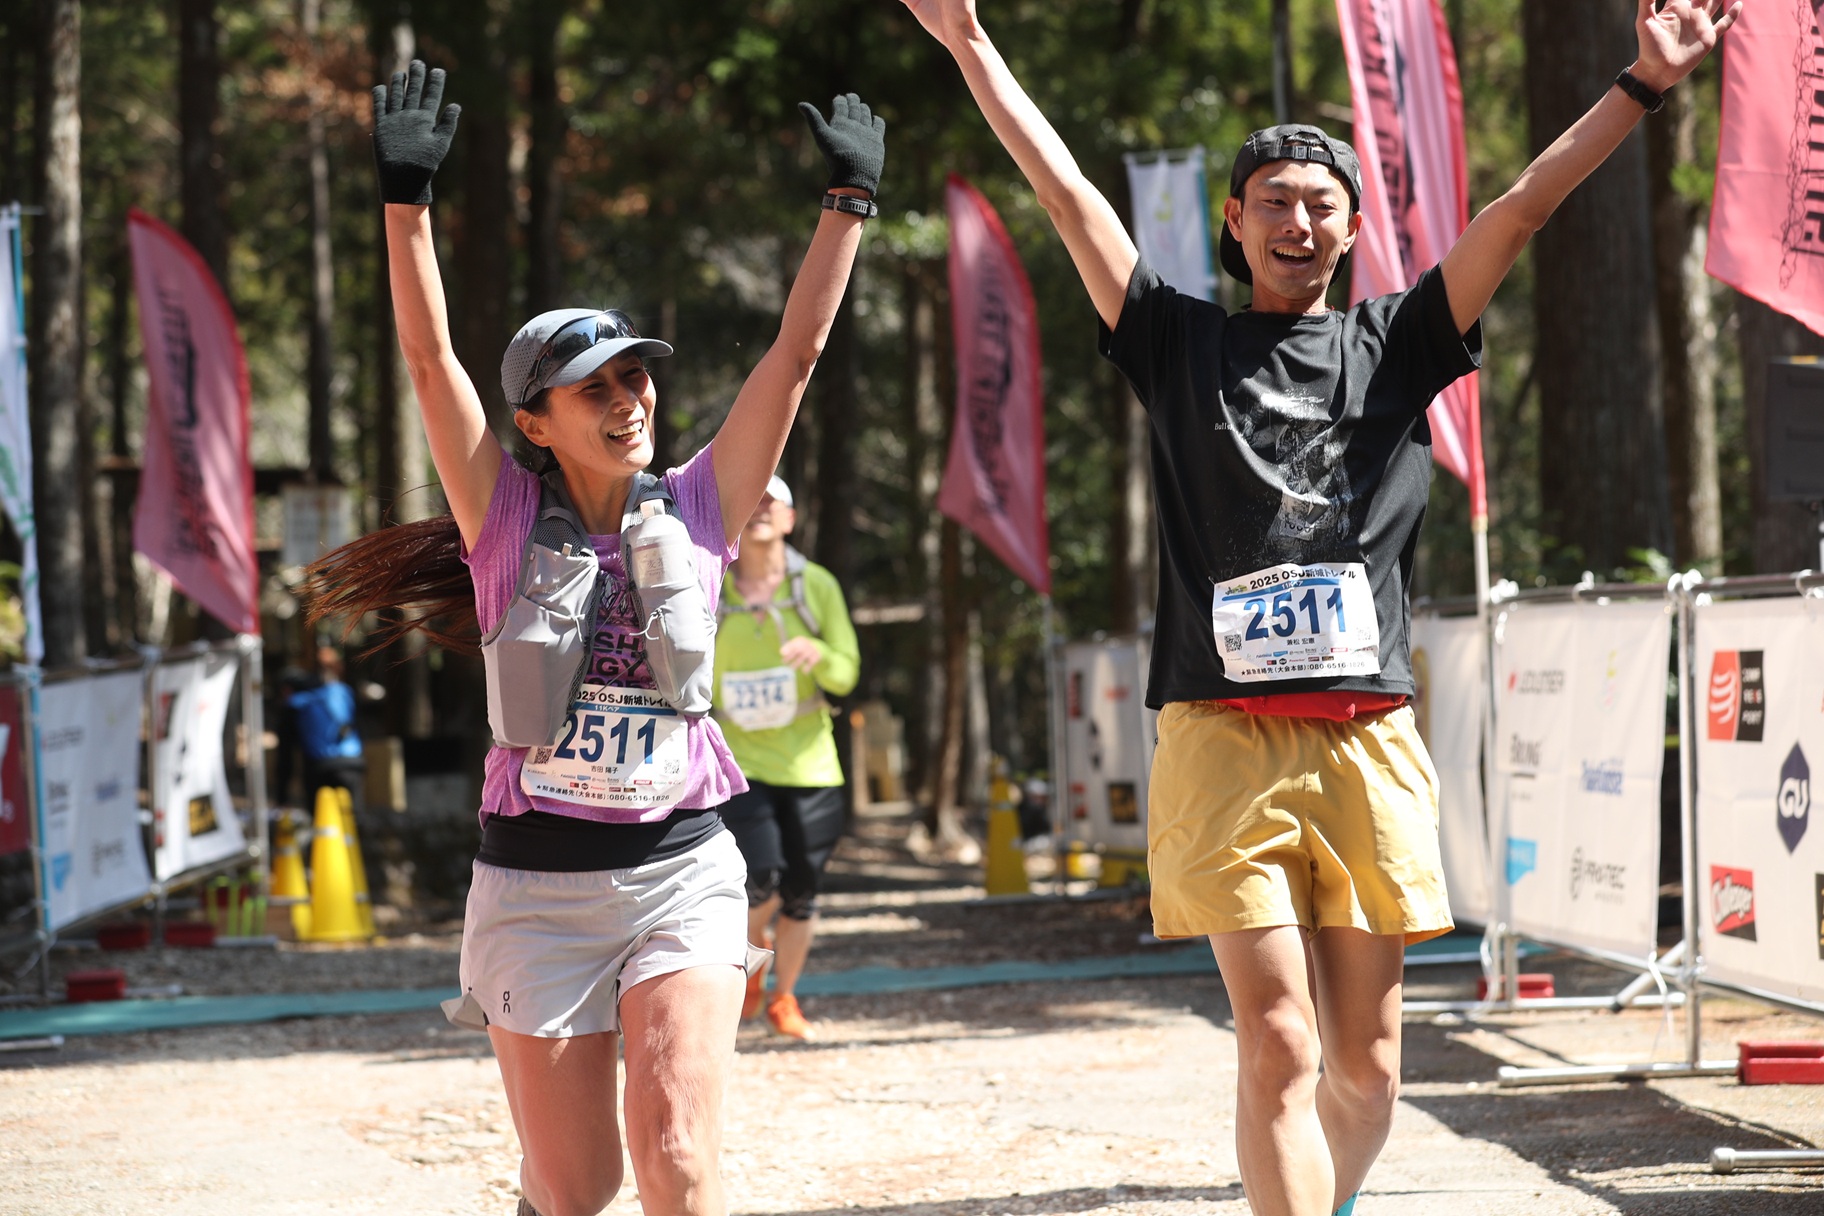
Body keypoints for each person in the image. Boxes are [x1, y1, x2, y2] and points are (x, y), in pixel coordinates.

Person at [898, 1, 1735, 1213]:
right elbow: (1069, 193)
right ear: (1233, 225)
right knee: (1280, 1043)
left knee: (1371, 1070)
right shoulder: (1175, 343)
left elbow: (1522, 207)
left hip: (1364, 737)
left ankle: (1313, 1197)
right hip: (1219, 736)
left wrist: (1643, 86)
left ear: (1351, 229)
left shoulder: (1403, 340)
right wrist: (973, 45)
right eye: (1274, 201)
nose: (1298, 220)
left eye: (1320, 202)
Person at [303, 61, 884, 1216]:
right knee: (578, 1190)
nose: (628, 400)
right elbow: (429, 362)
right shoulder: (505, 517)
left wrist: (848, 207)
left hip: (684, 868)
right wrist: (406, 204)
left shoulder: (707, 504)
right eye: (594, 388)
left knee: (677, 1158)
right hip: (535, 890)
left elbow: (795, 357)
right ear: (535, 422)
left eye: (634, 377)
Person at [712, 476, 859, 1040]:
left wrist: (818, 653)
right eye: (752, 501)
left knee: (801, 890)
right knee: (760, 880)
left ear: (792, 520)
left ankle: (784, 998)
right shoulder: (712, 586)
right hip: (738, 765)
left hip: (811, 765)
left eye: (773, 503)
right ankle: (749, 973)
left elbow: (846, 673)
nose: (761, 511)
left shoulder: (815, 586)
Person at [281, 644, 366, 818]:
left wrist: (282, 796)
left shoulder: (297, 703)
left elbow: (286, 753)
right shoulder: (344, 692)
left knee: (321, 821)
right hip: (351, 762)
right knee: (352, 819)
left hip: (319, 766)